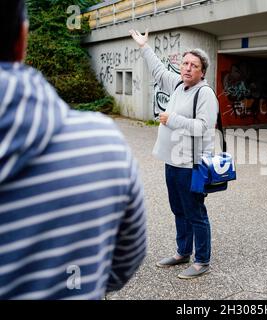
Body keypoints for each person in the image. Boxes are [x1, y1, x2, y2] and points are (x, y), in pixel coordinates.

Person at [0, 1, 147, 299]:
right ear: (22, 39)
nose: (186, 69)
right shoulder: (103, 143)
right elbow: (125, 259)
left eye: (192, 65)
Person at [129, 29, 218, 279]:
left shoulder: (205, 94)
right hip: (172, 162)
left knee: (195, 213)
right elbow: (158, 70)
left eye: (194, 65)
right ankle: (182, 252)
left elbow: (203, 127)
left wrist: (173, 119)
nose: (187, 68)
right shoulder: (178, 84)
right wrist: (144, 47)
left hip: (191, 164)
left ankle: (202, 260)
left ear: (202, 71)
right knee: (178, 210)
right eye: (185, 63)